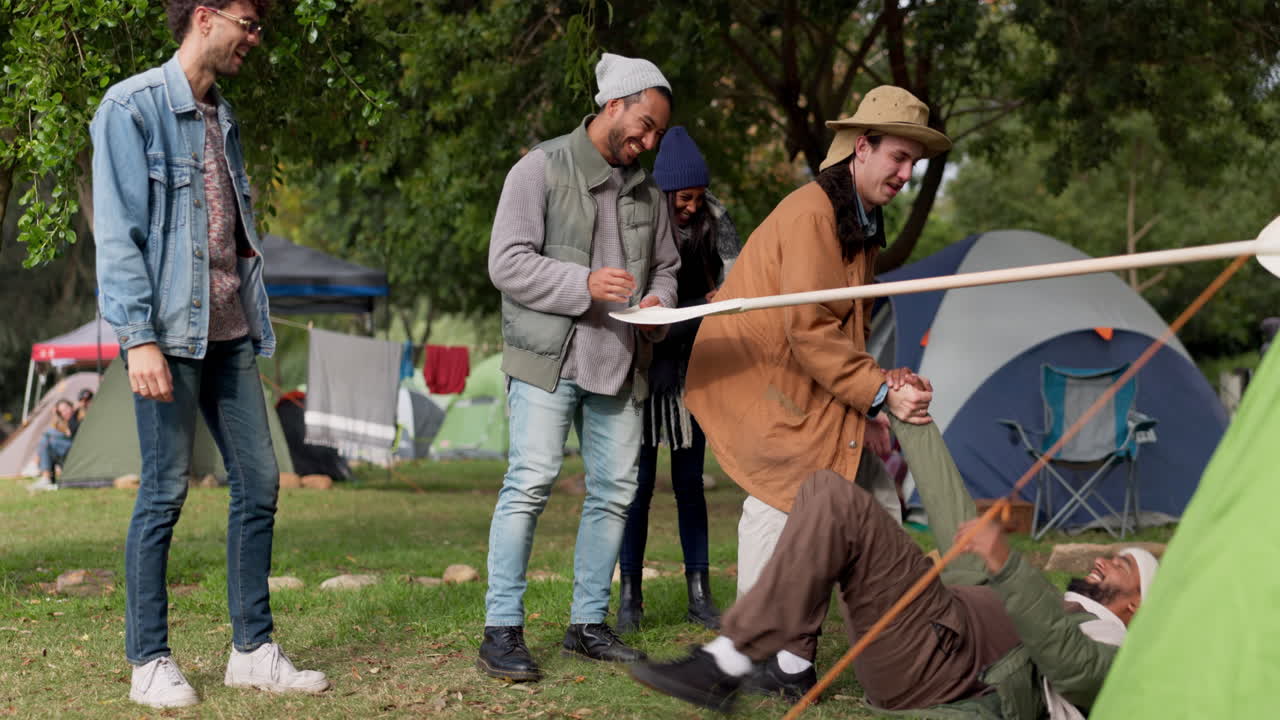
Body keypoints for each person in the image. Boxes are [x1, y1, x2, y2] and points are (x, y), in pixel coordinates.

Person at [631, 391, 1161, 718]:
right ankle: (771, 658)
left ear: (1136, 607)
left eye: (1126, 565)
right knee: (825, 492)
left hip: (941, 657)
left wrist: (1011, 565)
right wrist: (912, 420)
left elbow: (1070, 667)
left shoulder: (1120, 651)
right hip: (931, 628)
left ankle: (733, 657)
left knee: (835, 499)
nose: (1109, 560)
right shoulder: (1049, 599)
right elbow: (965, 544)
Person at [90, 0, 327, 708]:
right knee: (163, 493)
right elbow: (118, 234)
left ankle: (252, 649)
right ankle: (149, 661)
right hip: (166, 337)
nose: (255, 40)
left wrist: (253, 327)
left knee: (259, 484)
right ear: (205, 16)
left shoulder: (226, 122)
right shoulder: (130, 108)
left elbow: (233, 240)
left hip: (228, 337)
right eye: (248, 24)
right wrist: (137, 338)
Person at [680, 85, 946, 688]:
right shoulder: (811, 214)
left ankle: (836, 660)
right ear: (861, 147)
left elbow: (840, 327)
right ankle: (749, 660)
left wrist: (882, 383)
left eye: (914, 163)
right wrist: (877, 393)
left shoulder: (859, 219)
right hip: (764, 385)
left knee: (872, 510)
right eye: (898, 158)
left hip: (810, 386)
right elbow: (808, 329)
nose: (906, 173)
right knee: (780, 502)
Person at [479, 52, 680, 682]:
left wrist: (660, 300)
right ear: (612, 104)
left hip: (621, 363)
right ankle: (501, 630)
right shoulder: (538, 168)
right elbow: (505, 262)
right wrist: (583, 282)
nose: (648, 142)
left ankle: (587, 624)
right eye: (643, 125)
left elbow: (668, 268)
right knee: (531, 482)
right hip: (549, 359)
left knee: (617, 491)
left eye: (656, 135)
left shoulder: (649, 192)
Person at [616, 127, 740, 634]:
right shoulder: (642, 218)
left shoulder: (717, 220)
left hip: (694, 366)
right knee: (638, 486)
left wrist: (724, 296)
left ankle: (699, 594)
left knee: (690, 485)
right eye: (682, 198)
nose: (690, 206)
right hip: (645, 366)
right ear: (666, 192)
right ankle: (630, 598)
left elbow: (738, 277)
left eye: (695, 197)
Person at [28, 399, 76, 492]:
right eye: (61, 411)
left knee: (48, 435)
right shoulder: (63, 424)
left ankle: (36, 465)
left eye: (66, 409)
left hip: (75, 452)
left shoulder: (78, 418)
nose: (65, 412)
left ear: (72, 407)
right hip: (65, 455)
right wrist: (55, 415)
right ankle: (45, 477)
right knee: (47, 442)